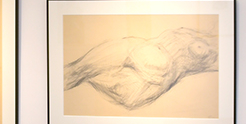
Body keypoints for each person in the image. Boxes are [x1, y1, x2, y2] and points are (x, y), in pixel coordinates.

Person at [64, 26, 217, 111]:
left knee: (79, 73)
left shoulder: (212, 53)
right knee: (76, 72)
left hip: (149, 79)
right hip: (141, 57)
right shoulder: (190, 36)